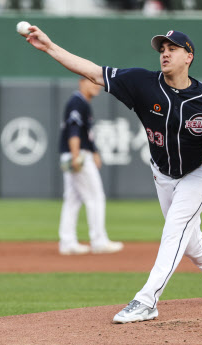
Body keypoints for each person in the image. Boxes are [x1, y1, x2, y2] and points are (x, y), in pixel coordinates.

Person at [23, 26, 202, 323]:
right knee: (191, 244)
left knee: (175, 229)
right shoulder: (142, 83)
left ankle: (147, 300)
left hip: (199, 174)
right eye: (162, 49)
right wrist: (49, 46)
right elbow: (94, 72)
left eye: (173, 48)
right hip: (162, 174)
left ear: (189, 57)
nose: (165, 53)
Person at [58, 77, 124, 255]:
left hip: (76, 153)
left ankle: (67, 242)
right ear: (81, 81)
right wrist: (76, 154)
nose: (97, 86)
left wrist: (94, 152)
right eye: (92, 81)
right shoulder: (77, 102)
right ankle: (99, 240)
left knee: (72, 199)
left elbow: (85, 132)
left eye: (98, 83)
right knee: (95, 197)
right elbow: (73, 129)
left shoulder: (81, 102)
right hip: (78, 155)